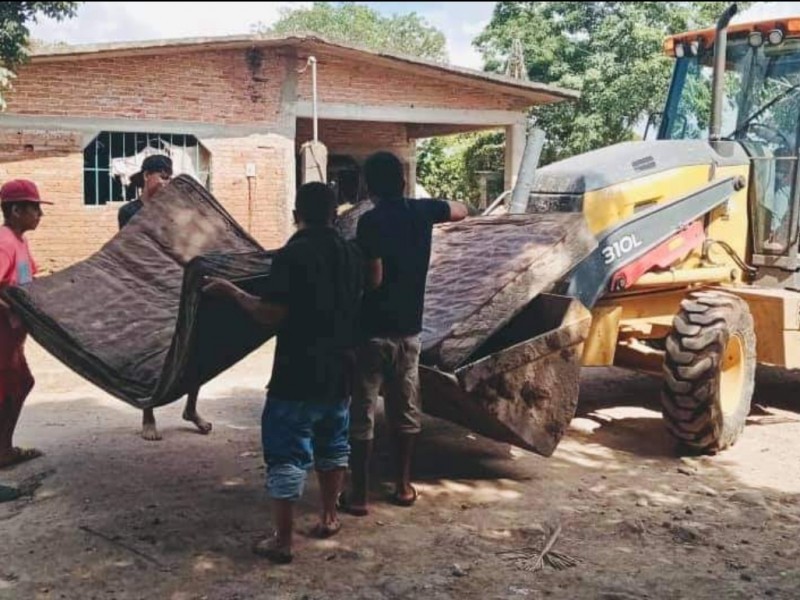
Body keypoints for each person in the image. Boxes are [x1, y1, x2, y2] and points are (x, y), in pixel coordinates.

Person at [203, 182, 363, 564]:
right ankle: (328, 517)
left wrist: (229, 291)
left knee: (287, 454)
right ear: (335, 213)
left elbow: (270, 313)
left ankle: (284, 541)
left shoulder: (294, 254)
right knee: (333, 446)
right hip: (340, 370)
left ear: (297, 214)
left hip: (297, 372)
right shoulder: (352, 253)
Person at [343, 151, 468, 515]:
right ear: (402, 181)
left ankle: (360, 495)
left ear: (369, 186)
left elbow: (374, 277)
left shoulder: (369, 222)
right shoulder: (422, 212)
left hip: (371, 332)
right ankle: (402, 486)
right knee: (406, 408)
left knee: (363, 411)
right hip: (409, 330)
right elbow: (460, 210)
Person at [118, 154, 210, 441]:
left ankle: (190, 409)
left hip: (174, 285)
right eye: (162, 176)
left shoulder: (175, 212)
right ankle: (148, 415)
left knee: (194, 347)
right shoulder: (128, 211)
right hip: (143, 288)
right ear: (146, 176)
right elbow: (130, 248)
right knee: (151, 355)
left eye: (170, 177)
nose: (167, 182)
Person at [0, 179, 50, 469]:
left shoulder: (19, 240)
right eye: (35, 209)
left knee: (20, 385)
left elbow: (26, 281)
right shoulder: (5, 243)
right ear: (16, 210)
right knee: (11, 388)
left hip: (13, 336)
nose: (39, 216)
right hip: (3, 334)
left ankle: (4, 448)